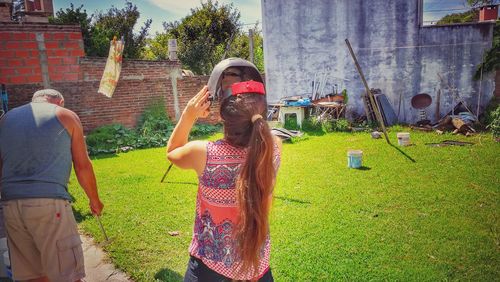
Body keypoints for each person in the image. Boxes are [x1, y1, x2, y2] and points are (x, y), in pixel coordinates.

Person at [167, 81, 282, 281]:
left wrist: (189, 114)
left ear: (225, 118)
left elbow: (172, 152)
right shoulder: (273, 148)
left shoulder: (204, 153)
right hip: (257, 267)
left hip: (209, 270)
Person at [0, 89, 104, 282]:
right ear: (60, 101)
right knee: (67, 274)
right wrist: (94, 200)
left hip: (11, 205)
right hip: (49, 205)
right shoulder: (65, 115)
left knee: (33, 275)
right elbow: (82, 166)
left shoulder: (6, 120)